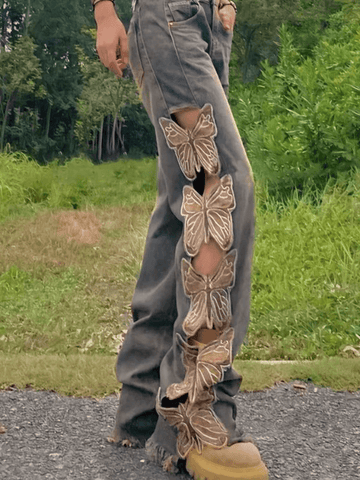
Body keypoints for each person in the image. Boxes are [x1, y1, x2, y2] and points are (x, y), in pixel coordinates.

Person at [92, 0, 269, 479]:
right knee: (220, 186)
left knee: (183, 200)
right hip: (168, 16)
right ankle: (196, 411)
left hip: (207, 22)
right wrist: (104, 11)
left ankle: (143, 403)